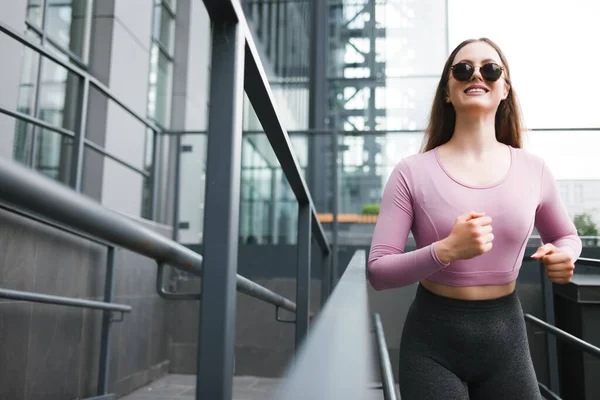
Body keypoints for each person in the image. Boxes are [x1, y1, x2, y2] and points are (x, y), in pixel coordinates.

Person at [367, 38, 582, 400]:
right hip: (431, 345)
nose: (476, 75)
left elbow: (566, 236)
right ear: (448, 91)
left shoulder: (535, 169)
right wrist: (446, 250)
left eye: (490, 69)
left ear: (504, 89)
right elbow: (378, 271)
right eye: (463, 69)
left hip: (507, 339)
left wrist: (566, 256)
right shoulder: (411, 172)